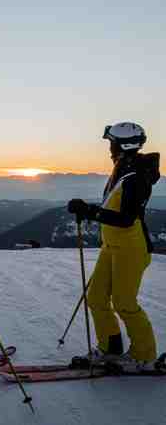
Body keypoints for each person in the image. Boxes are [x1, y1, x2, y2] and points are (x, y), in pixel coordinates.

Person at [68, 122, 160, 371]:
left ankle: (145, 355)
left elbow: (126, 218)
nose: (109, 148)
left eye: (112, 143)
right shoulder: (123, 168)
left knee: (124, 302)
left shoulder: (136, 177)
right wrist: (91, 211)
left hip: (131, 248)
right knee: (96, 297)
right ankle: (111, 348)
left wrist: (89, 211)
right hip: (112, 245)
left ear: (123, 145)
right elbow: (113, 209)